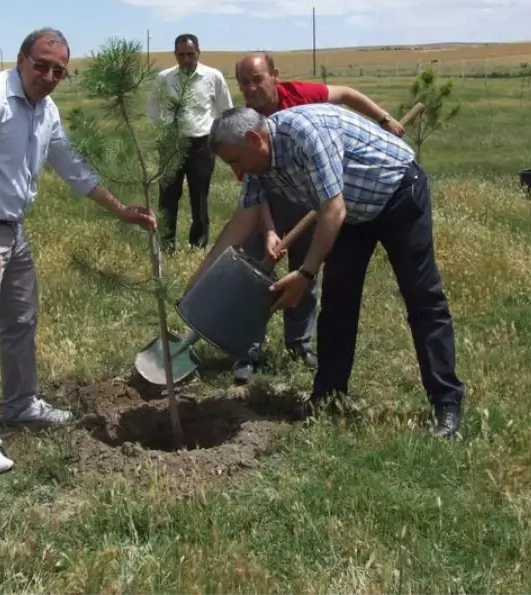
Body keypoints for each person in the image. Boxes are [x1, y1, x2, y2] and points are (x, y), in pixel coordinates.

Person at [0, 27, 157, 473]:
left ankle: (20, 405)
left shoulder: (45, 108)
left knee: (20, 322)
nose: (49, 75)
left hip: (12, 230)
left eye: (59, 70)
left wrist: (120, 210)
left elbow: (71, 165)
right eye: (41, 65)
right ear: (21, 60)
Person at [192, 103, 465, 439]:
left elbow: (332, 211)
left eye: (234, 160)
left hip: (397, 193)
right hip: (351, 213)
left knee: (422, 298)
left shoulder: (305, 134)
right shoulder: (254, 165)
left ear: (253, 139)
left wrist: (305, 275)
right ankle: (329, 399)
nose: (236, 169)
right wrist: (200, 279)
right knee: (338, 304)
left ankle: (446, 404)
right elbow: (243, 220)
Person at [228, 52, 412, 383]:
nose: (252, 88)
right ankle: (246, 349)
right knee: (254, 270)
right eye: (244, 82)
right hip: (265, 206)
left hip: (312, 198)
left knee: (305, 268)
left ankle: (299, 343)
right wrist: (269, 231)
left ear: (275, 76)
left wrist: (383, 118)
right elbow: (252, 190)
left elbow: (344, 94)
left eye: (258, 79)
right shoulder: (241, 126)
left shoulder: (299, 95)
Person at [147, 34, 233, 252]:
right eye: (181, 55)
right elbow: (153, 109)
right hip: (171, 143)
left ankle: (199, 244)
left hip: (202, 144)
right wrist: (160, 135)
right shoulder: (164, 79)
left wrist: (219, 139)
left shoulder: (212, 77)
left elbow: (226, 110)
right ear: (175, 55)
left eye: (190, 54)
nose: (186, 59)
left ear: (198, 53)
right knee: (168, 195)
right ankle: (166, 245)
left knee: (200, 195)